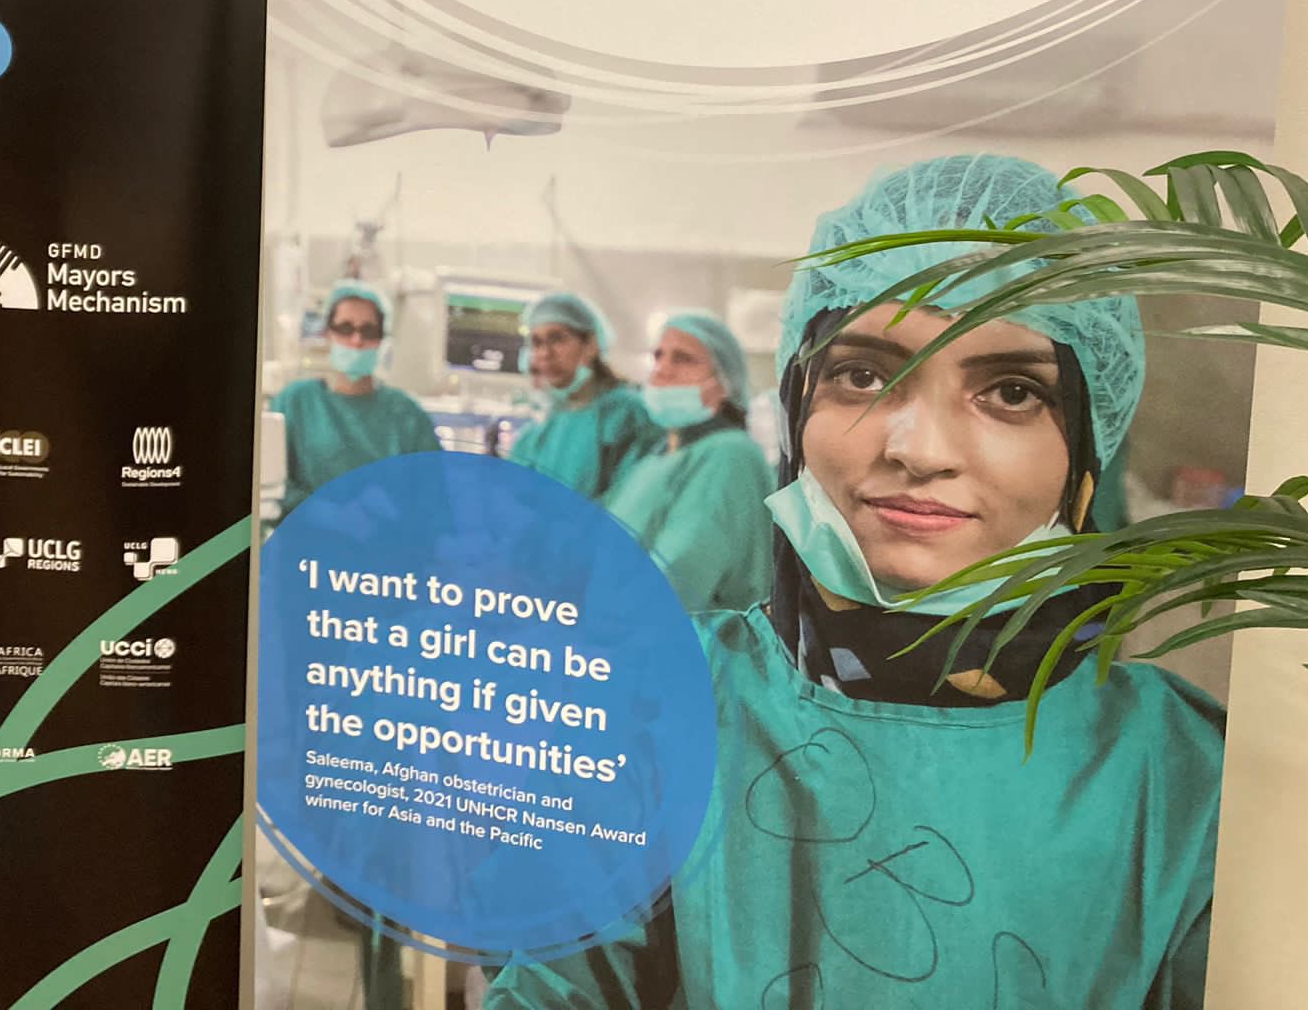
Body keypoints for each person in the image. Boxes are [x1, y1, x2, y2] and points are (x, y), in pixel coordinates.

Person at [488, 154, 1224, 1010]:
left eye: (1013, 392)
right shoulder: (663, 698)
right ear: (797, 407)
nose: (918, 448)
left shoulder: (1182, 774)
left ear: (1085, 459)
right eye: (863, 375)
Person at [600, 310, 778, 614]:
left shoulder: (730, 455)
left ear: (724, 383)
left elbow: (677, 577)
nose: (662, 370)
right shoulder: (656, 457)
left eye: (683, 359)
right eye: (659, 356)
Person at [271, 279, 440, 516]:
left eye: (368, 331)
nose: (357, 340)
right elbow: (271, 488)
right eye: (345, 328)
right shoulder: (295, 402)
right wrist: (328, 514)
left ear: (381, 339)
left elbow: (434, 496)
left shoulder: (407, 415)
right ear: (327, 333)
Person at [507, 291, 656, 502]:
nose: (545, 354)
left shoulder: (627, 414)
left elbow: (632, 504)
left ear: (591, 345)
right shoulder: (543, 432)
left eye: (556, 339)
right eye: (537, 343)